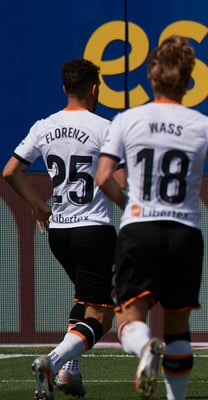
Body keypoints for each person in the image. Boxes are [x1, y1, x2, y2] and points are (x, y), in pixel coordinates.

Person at [95, 35, 208, 400]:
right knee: (178, 326)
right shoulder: (205, 124)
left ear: (151, 77)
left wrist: (130, 204)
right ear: (188, 80)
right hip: (185, 233)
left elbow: (103, 176)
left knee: (128, 319)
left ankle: (144, 348)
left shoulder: (127, 120)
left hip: (140, 228)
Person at [2, 58, 124, 400]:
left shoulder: (45, 126)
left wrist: (36, 204)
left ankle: (71, 372)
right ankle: (53, 362)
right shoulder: (105, 128)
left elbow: (10, 171)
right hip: (94, 230)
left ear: (64, 88)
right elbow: (120, 182)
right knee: (104, 314)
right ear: (95, 89)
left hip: (59, 231)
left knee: (85, 299)